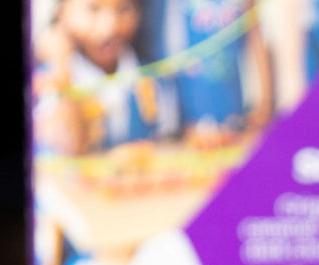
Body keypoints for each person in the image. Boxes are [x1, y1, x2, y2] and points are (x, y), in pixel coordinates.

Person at [34, 0, 178, 155]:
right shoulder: (50, 79)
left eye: (125, 8)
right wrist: (61, 65)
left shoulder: (152, 77)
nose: (110, 27)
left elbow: (168, 142)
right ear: (61, 13)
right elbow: (71, 149)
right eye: (93, 9)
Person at [160, 0, 274, 143]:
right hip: (191, 114)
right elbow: (168, 53)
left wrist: (265, 104)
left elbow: (256, 38)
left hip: (234, 110)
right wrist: (177, 119)